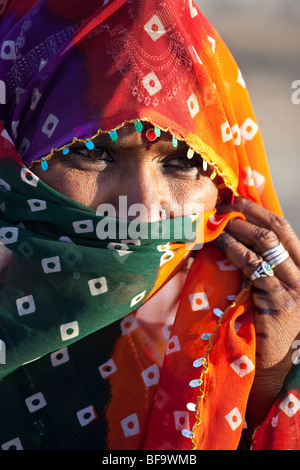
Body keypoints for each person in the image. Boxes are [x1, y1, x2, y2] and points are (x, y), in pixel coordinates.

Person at [0, 0, 299, 451]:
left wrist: (265, 390)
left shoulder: (257, 337)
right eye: (93, 152)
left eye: (182, 163)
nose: (142, 207)